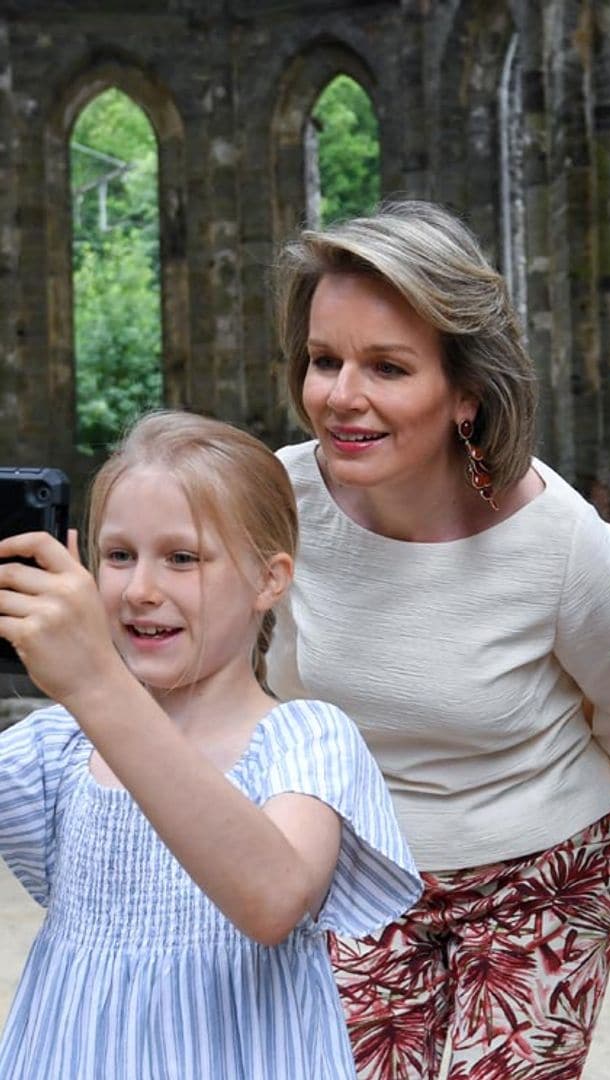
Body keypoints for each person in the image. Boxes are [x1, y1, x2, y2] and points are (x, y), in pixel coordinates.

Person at [267, 198, 610, 1079]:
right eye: (324, 360)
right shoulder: (279, 500)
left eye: (387, 367)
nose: (341, 397)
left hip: (540, 871)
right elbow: (267, 693)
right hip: (357, 868)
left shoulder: (568, 548)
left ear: (466, 389)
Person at [0, 410, 421, 1078]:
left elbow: (272, 899)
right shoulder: (56, 746)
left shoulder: (307, 740)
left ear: (268, 579)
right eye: (118, 556)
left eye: (182, 558)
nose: (140, 590)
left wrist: (98, 684)